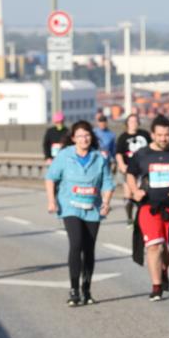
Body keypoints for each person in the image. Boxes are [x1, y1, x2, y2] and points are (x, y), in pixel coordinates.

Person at [44, 120, 115, 307]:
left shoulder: (99, 158)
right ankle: (74, 290)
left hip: (92, 208)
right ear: (73, 138)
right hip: (70, 206)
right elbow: (51, 178)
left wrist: (106, 203)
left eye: (87, 135)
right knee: (76, 244)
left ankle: (87, 289)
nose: (84, 139)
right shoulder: (64, 155)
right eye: (80, 136)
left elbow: (107, 183)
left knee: (89, 249)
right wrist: (51, 201)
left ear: (91, 137)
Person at [126, 114, 169, 301]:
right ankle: (156, 286)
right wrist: (135, 190)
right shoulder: (142, 154)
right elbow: (130, 174)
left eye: (167, 135)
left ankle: (164, 266)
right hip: (149, 207)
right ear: (152, 134)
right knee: (154, 247)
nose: (163, 139)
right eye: (160, 135)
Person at [115, 109, 151, 226]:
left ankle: (141, 216)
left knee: (143, 192)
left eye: (136, 121)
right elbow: (119, 153)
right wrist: (121, 165)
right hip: (128, 169)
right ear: (127, 123)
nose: (133, 123)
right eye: (131, 121)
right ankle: (129, 218)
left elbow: (152, 148)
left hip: (143, 168)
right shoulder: (123, 137)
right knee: (129, 192)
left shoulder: (144, 134)